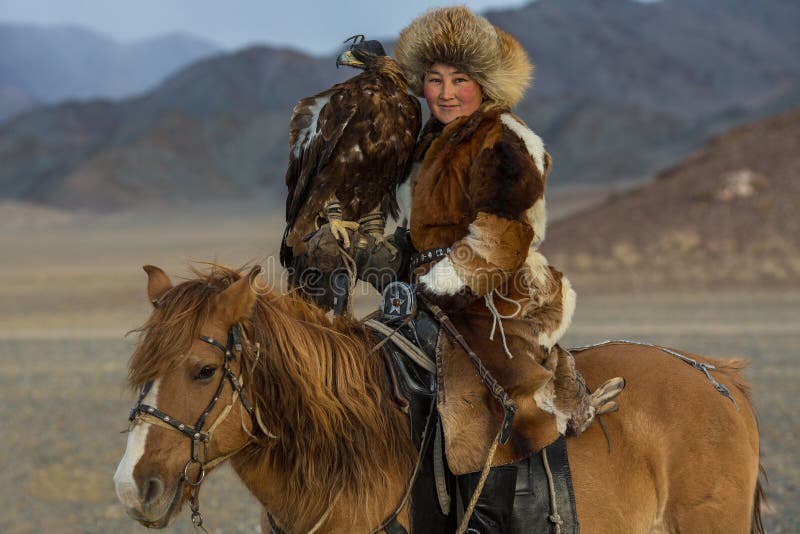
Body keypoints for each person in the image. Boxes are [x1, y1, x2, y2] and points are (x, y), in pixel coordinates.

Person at [389, 7, 624, 532]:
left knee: (494, 395)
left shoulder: (506, 136)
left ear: (484, 83)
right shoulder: (434, 142)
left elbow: (503, 236)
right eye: (434, 80)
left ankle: (515, 517)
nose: (446, 92)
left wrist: (445, 278)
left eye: (460, 80)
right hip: (434, 290)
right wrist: (387, 256)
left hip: (502, 293)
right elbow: (434, 230)